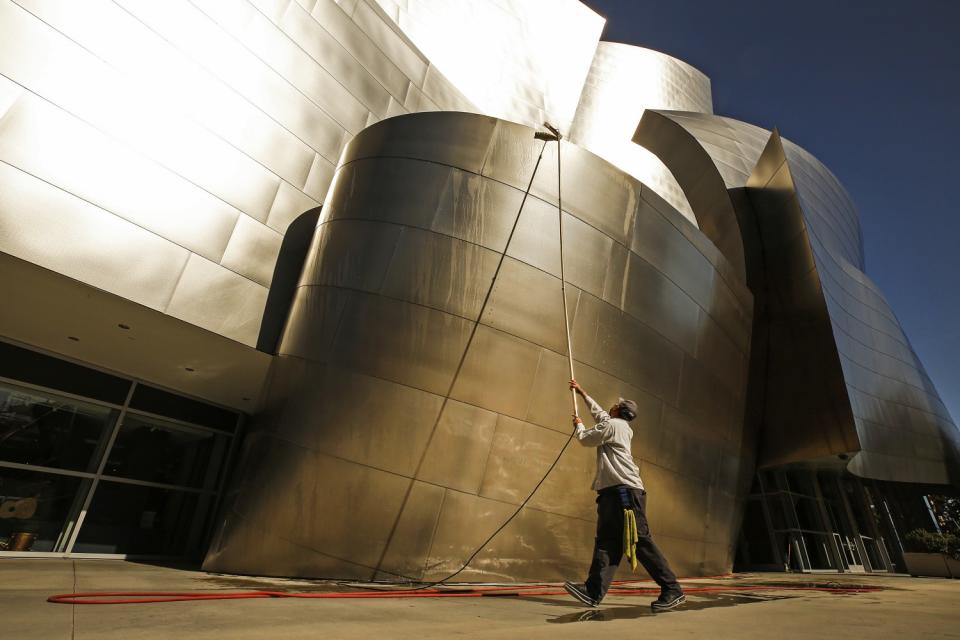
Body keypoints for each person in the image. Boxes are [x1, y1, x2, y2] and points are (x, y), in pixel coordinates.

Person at [563, 379, 685, 611]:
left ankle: (673, 589)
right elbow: (600, 414)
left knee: (640, 540)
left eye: (614, 406)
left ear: (619, 410)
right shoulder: (617, 425)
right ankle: (593, 591)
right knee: (608, 543)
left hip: (624, 493)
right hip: (613, 493)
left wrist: (579, 425)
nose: (610, 407)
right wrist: (582, 393)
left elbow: (585, 439)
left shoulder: (615, 426)